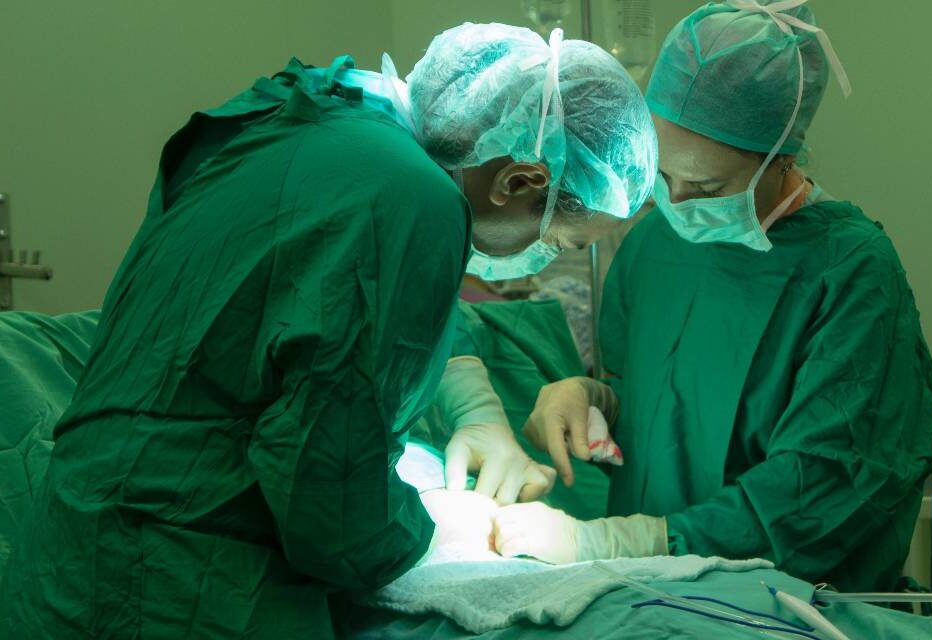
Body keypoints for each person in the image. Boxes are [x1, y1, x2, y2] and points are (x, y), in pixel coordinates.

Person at [0, 22, 655, 638]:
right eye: (556, 237)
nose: (538, 255)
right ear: (519, 180)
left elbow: (296, 306)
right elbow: (327, 487)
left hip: (74, 544)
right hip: (188, 578)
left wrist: (472, 404)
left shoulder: (300, 119)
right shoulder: (412, 198)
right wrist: (430, 531)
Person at [497, 1, 932, 595]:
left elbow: (831, 481)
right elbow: (662, 407)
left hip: (795, 609)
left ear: (779, 159)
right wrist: (593, 397)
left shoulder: (849, 268)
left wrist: (631, 543)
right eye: (662, 176)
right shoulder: (652, 246)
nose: (678, 203)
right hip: (650, 602)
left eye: (707, 186)